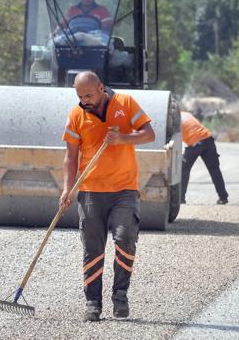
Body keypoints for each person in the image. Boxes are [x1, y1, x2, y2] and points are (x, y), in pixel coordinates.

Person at [59, 71, 155, 322]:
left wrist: (123, 138)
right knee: (92, 248)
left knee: (125, 239)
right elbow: (70, 156)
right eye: (79, 96)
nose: (84, 100)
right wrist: (67, 189)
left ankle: (120, 295)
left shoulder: (125, 103)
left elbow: (149, 134)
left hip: (124, 189)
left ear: (101, 87)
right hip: (91, 190)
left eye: (88, 95)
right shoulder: (76, 115)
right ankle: (93, 302)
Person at [180, 111, 229, 205]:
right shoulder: (186, 114)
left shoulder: (173, 118)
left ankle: (180, 198)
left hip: (194, 143)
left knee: (184, 170)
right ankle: (223, 197)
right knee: (215, 170)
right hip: (208, 139)